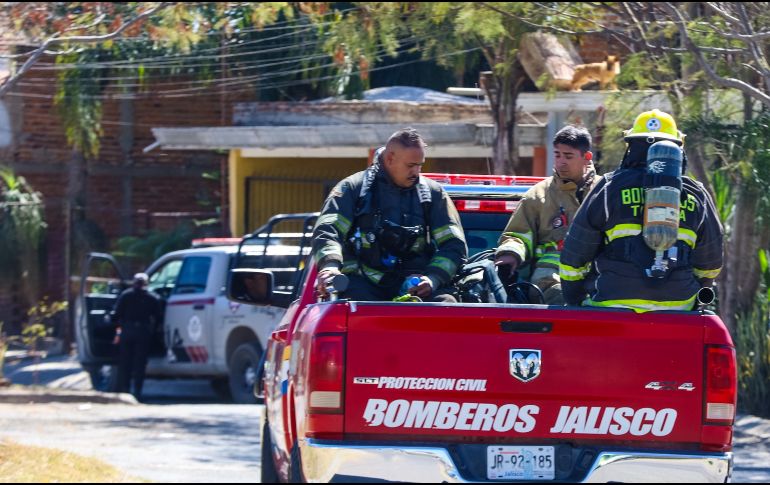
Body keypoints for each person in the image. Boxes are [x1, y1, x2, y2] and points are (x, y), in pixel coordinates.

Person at [559, 109, 724, 312]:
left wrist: (574, 299)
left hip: (611, 309)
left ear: (631, 147)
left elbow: (575, 256)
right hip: (678, 313)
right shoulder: (696, 194)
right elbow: (710, 264)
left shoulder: (609, 187)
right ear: (679, 149)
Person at [312, 127, 467, 302]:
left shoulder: (433, 194)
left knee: (446, 305)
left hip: (416, 288)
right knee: (350, 308)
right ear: (390, 158)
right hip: (362, 286)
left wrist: (432, 279)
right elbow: (328, 231)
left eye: (419, 165)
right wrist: (330, 267)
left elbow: (454, 245)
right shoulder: (352, 189)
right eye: (410, 165)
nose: (416, 172)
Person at [494, 125, 599, 304]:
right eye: (557, 155)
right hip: (549, 278)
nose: (560, 162)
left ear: (586, 157)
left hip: (598, 274)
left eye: (568, 156)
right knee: (565, 300)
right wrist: (510, 254)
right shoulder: (537, 195)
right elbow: (518, 234)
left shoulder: (605, 192)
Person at [111, 272, 163, 400]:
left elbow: (116, 314)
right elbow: (159, 317)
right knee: (140, 363)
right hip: (143, 332)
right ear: (146, 284)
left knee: (125, 362)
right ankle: (137, 391)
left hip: (128, 331)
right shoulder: (152, 297)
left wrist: (116, 325)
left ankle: (125, 390)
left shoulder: (126, 295)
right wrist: (153, 331)